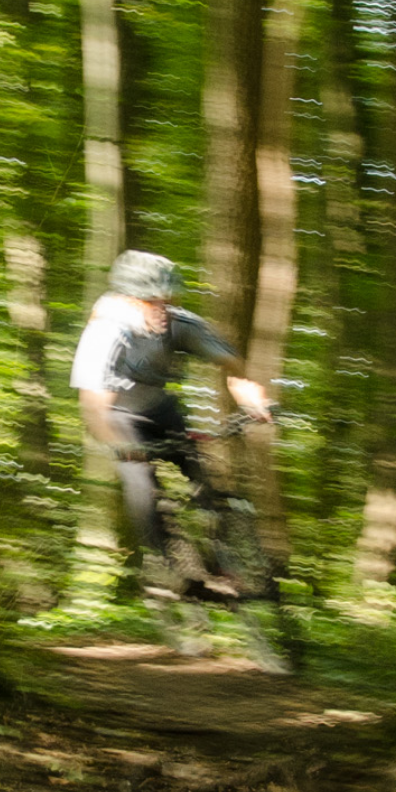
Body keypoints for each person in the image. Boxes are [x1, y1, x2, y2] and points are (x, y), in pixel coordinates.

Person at [71, 250, 273, 584]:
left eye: (168, 300)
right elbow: (93, 409)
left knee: (202, 476)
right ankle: (168, 569)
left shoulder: (181, 325)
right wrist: (121, 446)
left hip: (161, 409)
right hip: (119, 416)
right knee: (140, 481)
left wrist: (251, 400)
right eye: (152, 301)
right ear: (129, 300)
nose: (163, 309)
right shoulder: (105, 335)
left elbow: (233, 366)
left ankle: (221, 560)